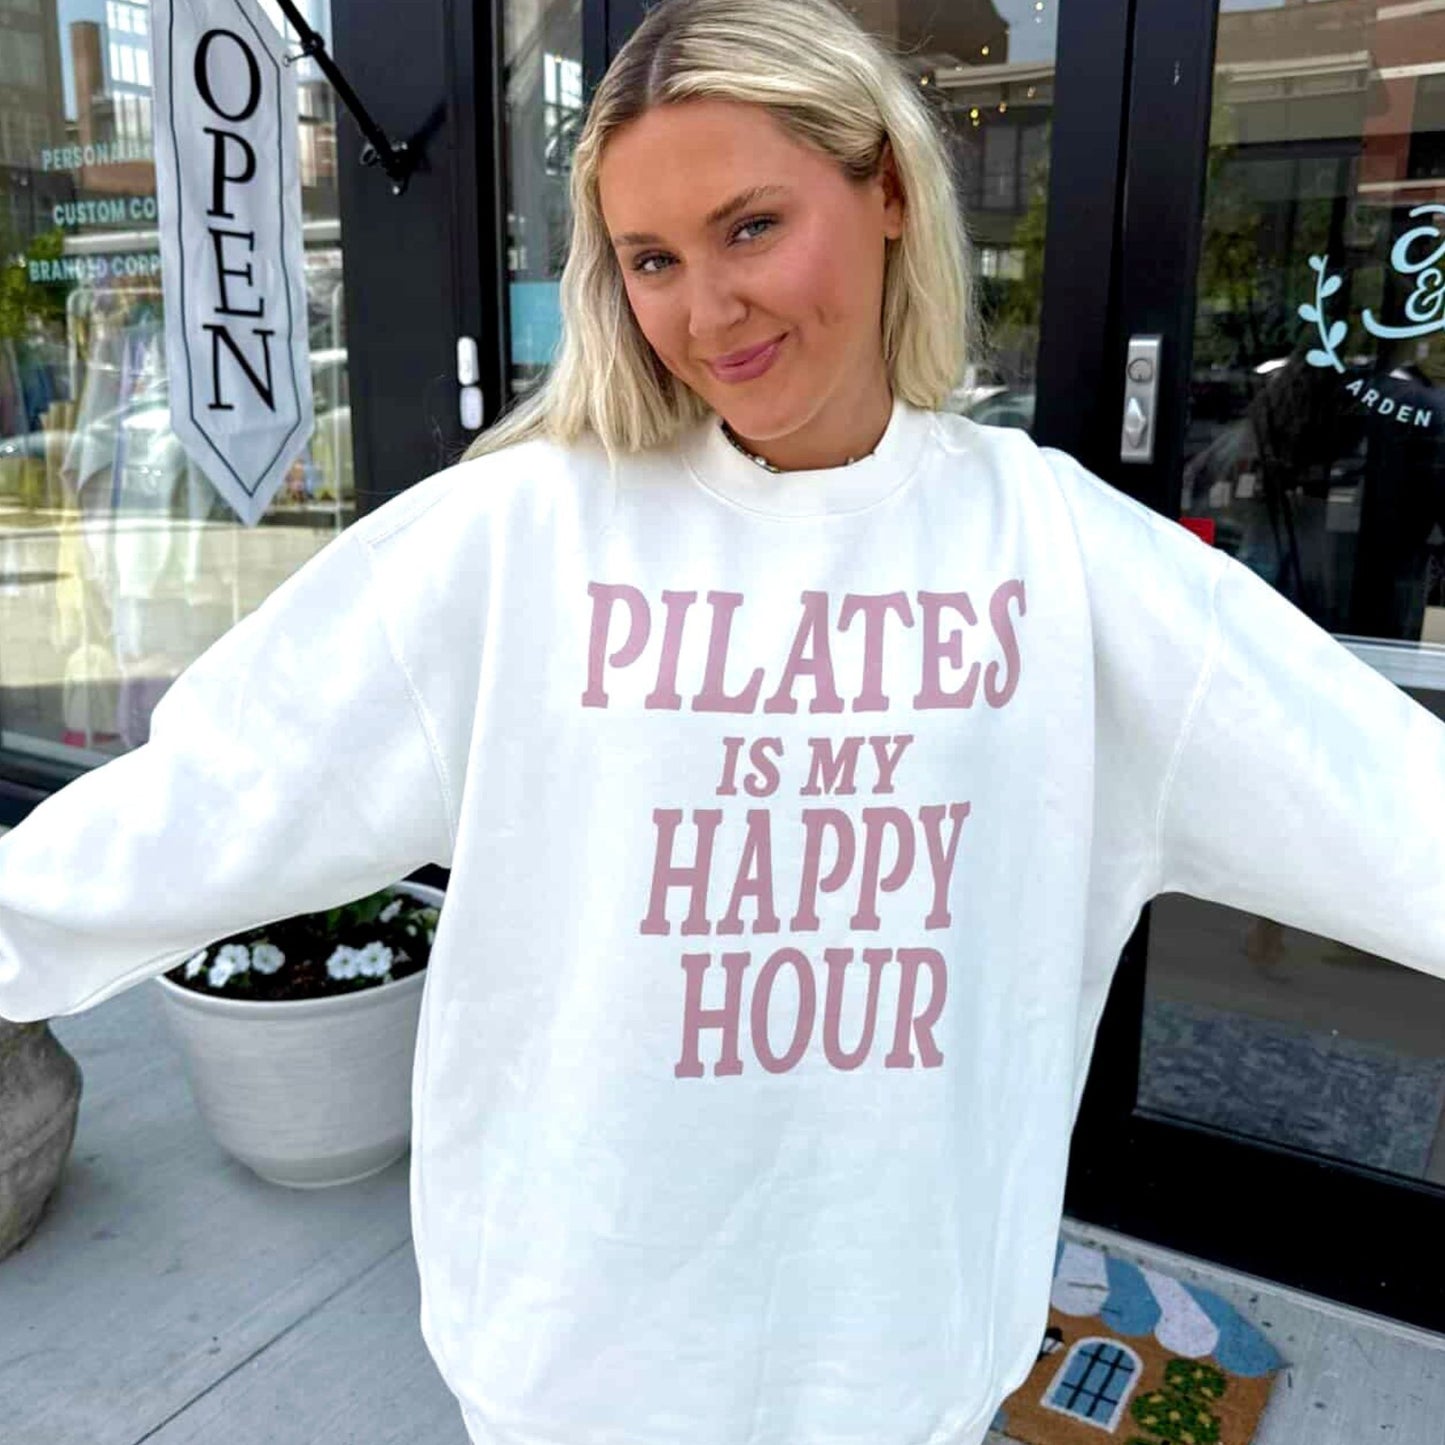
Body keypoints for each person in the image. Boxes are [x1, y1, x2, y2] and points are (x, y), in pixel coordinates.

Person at [3, 0, 1444, 1441]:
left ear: (882, 187)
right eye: (651, 259)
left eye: (751, 226)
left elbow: (1387, 804)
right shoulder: (518, 536)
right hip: (573, 1357)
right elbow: (216, 793)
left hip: (900, 1356)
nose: (707, 309)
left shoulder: (1063, 559)